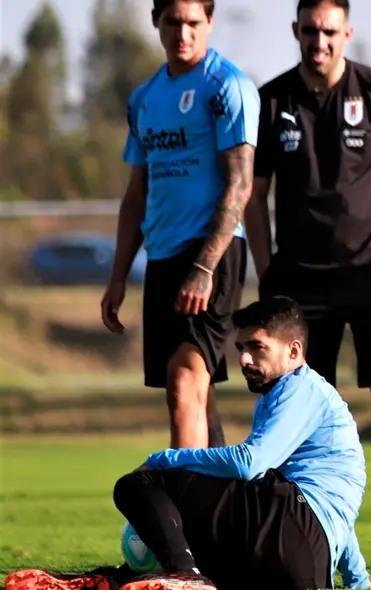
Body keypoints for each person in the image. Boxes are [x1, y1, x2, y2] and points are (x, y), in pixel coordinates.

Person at [5, 297, 371, 590]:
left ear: (294, 351)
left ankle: (182, 575)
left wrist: (164, 458)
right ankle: (130, 577)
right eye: (241, 347)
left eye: (257, 348)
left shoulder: (301, 389)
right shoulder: (293, 396)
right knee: (205, 512)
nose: (244, 358)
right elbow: (337, 515)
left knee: (139, 484)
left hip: (293, 530)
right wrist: (358, 581)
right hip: (303, 561)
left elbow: (250, 463)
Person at [244, 0, 371, 568]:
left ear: (346, 32)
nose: (317, 42)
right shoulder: (271, 101)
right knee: (293, 404)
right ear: (294, 31)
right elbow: (255, 194)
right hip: (300, 282)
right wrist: (267, 266)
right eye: (308, 31)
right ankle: (296, 524)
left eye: (328, 31)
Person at [100, 0, 260, 450]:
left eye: (193, 23)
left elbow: (240, 185)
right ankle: (224, 504)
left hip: (214, 253)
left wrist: (206, 268)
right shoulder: (145, 99)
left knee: (184, 380)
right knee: (197, 395)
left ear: (210, 22)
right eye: (173, 22)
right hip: (164, 256)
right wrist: (117, 278)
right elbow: (137, 194)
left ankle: (186, 511)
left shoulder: (227, 86)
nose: (183, 33)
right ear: (156, 22)